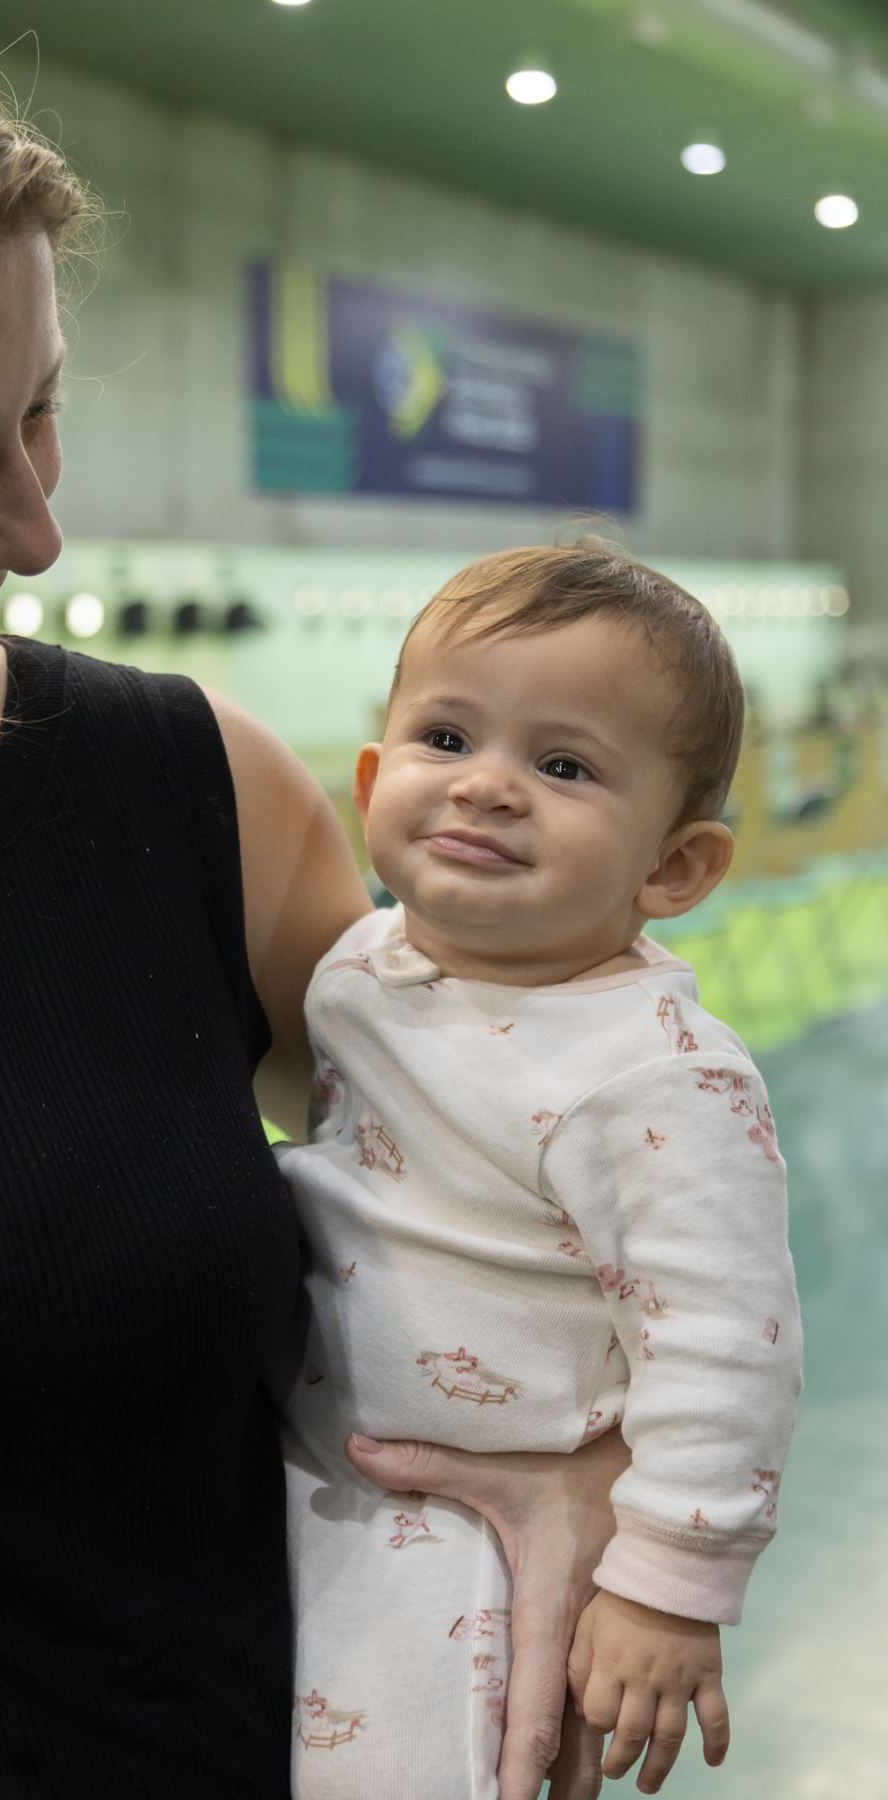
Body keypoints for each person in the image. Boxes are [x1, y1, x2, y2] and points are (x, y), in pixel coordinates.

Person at [0, 4, 626, 1794]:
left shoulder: (197, 796)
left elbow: (556, 1165)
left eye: (38, 411)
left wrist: (591, 1455)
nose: (35, 528)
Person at [275, 545, 803, 1800]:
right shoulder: (357, 968)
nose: (486, 787)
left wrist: (667, 1586)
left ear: (674, 868)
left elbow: (727, 1343)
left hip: (480, 1551)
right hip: (319, 1482)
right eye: (447, 738)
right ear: (371, 783)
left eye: (564, 767)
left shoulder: (655, 1075)